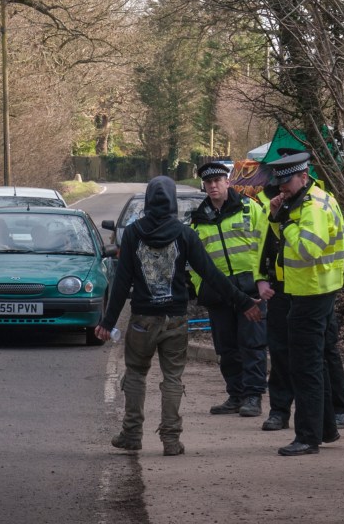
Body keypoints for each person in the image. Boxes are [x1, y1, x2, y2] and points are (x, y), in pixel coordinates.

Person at [95, 175, 262, 456]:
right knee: (172, 378)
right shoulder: (185, 234)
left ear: (148, 201)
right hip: (176, 319)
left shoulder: (134, 233)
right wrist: (244, 302)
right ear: (173, 201)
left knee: (135, 374)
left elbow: (122, 282)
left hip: (142, 320)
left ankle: (132, 434)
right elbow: (211, 274)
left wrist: (107, 322)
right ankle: (171, 440)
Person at [259, 158, 344, 434]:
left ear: (303, 176)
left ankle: (308, 435)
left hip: (312, 291)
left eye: (287, 182)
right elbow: (283, 245)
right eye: (279, 183)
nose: (282, 188)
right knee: (315, 363)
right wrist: (279, 219)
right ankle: (326, 428)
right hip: (311, 289)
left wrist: (284, 220)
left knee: (306, 367)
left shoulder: (312, 207)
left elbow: (306, 251)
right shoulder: (308, 200)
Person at [188, 159, 272, 419]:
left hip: (249, 291)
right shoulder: (199, 219)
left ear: (227, 182)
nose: (213, 186)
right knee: (226, 348)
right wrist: (201, 289)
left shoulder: (250, 209)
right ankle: (235, 395)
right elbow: (194, 263)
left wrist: (264, 280)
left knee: (253, 345)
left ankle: (253, 396)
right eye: (208, 182)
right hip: (219, 293)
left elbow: (266, 246)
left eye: (217, 181)